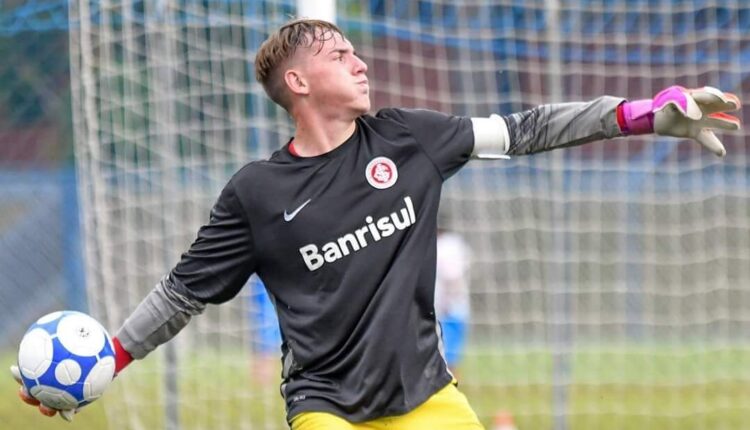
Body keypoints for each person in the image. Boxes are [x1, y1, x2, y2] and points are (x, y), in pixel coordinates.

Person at [11, 18, 741, 429]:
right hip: (326, 411)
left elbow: (528, 128)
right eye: (339, 55)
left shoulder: (407, 139)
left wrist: (643, 113)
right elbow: (181, 295)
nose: (360, 62)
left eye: (356, 51)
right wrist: (109, 358)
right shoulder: (256, 194)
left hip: (428, 398)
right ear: (297, 83)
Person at [434, 222, 472, 374]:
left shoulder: (444, 245)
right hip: (458, 307)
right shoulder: (456, 243)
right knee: (449, 358)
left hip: (447, 310)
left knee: (446, 358)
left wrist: (445, 302)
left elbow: (452, 275)